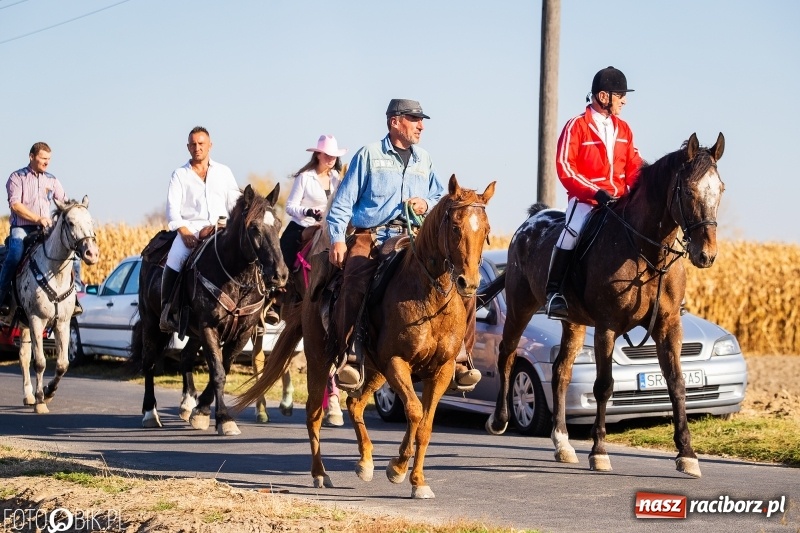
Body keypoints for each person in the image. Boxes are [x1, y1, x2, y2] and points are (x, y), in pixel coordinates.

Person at [326, 98, 480, 392]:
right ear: (395, 122)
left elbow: (441, 199)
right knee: (354, 280)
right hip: (371, 234)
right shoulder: (369, 155)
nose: (421, 125)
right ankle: (351, 356)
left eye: (422, 119)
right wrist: (336, 239)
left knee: (466, 285)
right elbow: (343, 202)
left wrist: (426, 203)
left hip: (417, 237)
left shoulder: (425, 159)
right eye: (414, 119)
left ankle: (462, 357)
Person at [546, 66, 644, 320]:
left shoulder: (624, 129)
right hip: (587, 202)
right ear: (603, 96)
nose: (624, 99)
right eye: (620, 94)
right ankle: (554, 293)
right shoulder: (576, 126)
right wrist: (594, 192)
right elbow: (565, 167)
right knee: (571, 232)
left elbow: (634, 164)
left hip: (620, 202)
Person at [281, 134, 348, 425]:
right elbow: (289, 207)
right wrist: (309, 212)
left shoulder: (338, 178)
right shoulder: (306, 177)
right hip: (306, 228)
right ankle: (280, 289)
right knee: (282, 250)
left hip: (330, 230)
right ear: (318, 155)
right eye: (326, 154)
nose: (330, 159)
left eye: (333, 155)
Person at [160, 126, 241, 332]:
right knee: (175, 258)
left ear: (210, 146)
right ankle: (167, 311)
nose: (197, 148)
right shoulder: (179, 175)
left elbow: (235, 203)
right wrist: (185, 232)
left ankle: (257, 310)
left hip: (220, 229)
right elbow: (172, 209)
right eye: (193, 144)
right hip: (191, 231)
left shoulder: (224, 172)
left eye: (201, 144)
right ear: (188, 147)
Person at [0, 142, 80, 318]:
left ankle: (74, 298)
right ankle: (3, 297)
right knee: (14, 254)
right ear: (31, 157)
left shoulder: (52, 180)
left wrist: (76, 209)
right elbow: (15, 205)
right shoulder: (17, 177)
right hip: (22, 228)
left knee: (71, 251)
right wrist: (37, 218)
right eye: (43, 158)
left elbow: (64, 203)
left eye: (49, 159)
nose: (46, 162)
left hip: (45, 229)